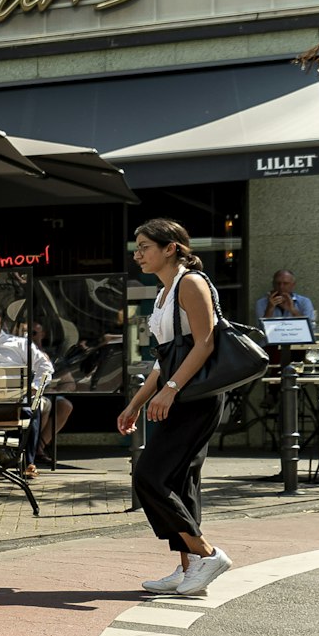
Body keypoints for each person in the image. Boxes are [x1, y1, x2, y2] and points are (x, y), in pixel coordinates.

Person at [119, 218, 233, 597]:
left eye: (144, 247)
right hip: (176, 394)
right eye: (137, 247)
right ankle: (189, 569)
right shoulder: (164, 292)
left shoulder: (191, 283)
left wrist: (169, 390)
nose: (138, 254)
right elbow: (163, 358)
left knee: (151, 477)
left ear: (170, 248)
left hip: (195, 398)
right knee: (180, 483)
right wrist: (136, 402)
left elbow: (205, 343)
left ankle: (208, 554)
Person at [0, 302, 70, 474]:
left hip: (15, 405)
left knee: (33, 407)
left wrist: (35, 386)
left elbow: (45, 367)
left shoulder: (20, 345)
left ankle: (28, 463)